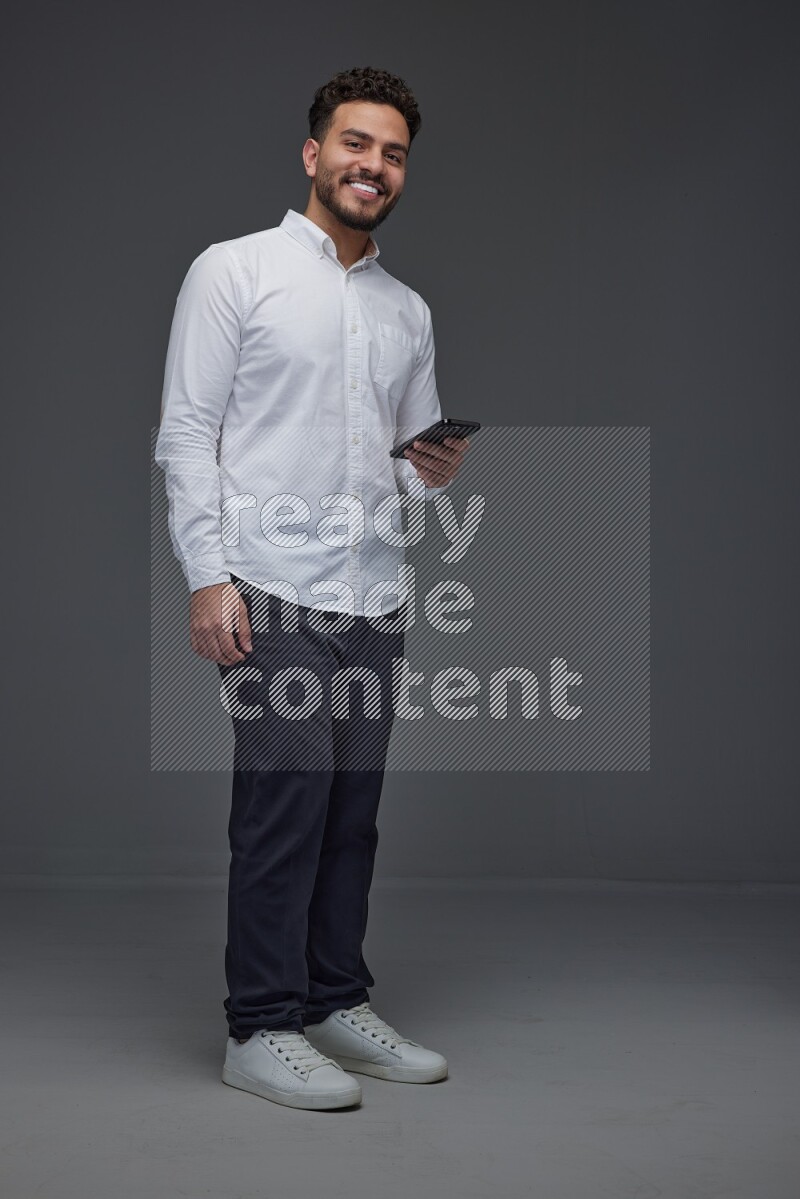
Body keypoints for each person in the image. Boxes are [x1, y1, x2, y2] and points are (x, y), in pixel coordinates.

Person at [155, 66, 471, 1111]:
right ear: (312, 153)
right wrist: (209, 579)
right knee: (284, 801)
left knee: (350, 812)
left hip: (372, 597)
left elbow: (404, 459)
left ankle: (335, 998)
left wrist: (424, 472)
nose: (371, 165)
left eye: (390, 152)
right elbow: (186, 434)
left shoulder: (407, 309)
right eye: (354, 143)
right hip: (268, 589)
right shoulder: (231, 272)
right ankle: (260, 1023)